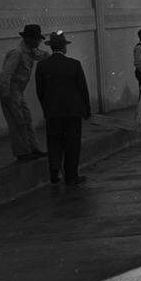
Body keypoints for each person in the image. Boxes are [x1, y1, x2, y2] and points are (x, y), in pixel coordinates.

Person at [35, 31, 91, 186]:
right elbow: (83, 89)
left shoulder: (42, 66)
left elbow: (40, 91)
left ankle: (54, 170)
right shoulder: (74, 64)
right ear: (64, 47)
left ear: (51, 47)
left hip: (53, 112)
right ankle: (71, 175)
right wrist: (87, 109)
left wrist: (46, 108)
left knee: (54, 141)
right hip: (73, 111)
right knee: (72, 143)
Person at [0, 23, 50, 162]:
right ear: (29, 39)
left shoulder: (30, 50)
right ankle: (22, 152)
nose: (39, 41)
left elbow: (43, 55)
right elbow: (5, 75)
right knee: (18, 121)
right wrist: (5, 94)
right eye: (37, 39)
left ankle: (33, 148)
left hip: (19, 91)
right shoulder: (17, 52)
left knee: (27, 119)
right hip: (11, 90)